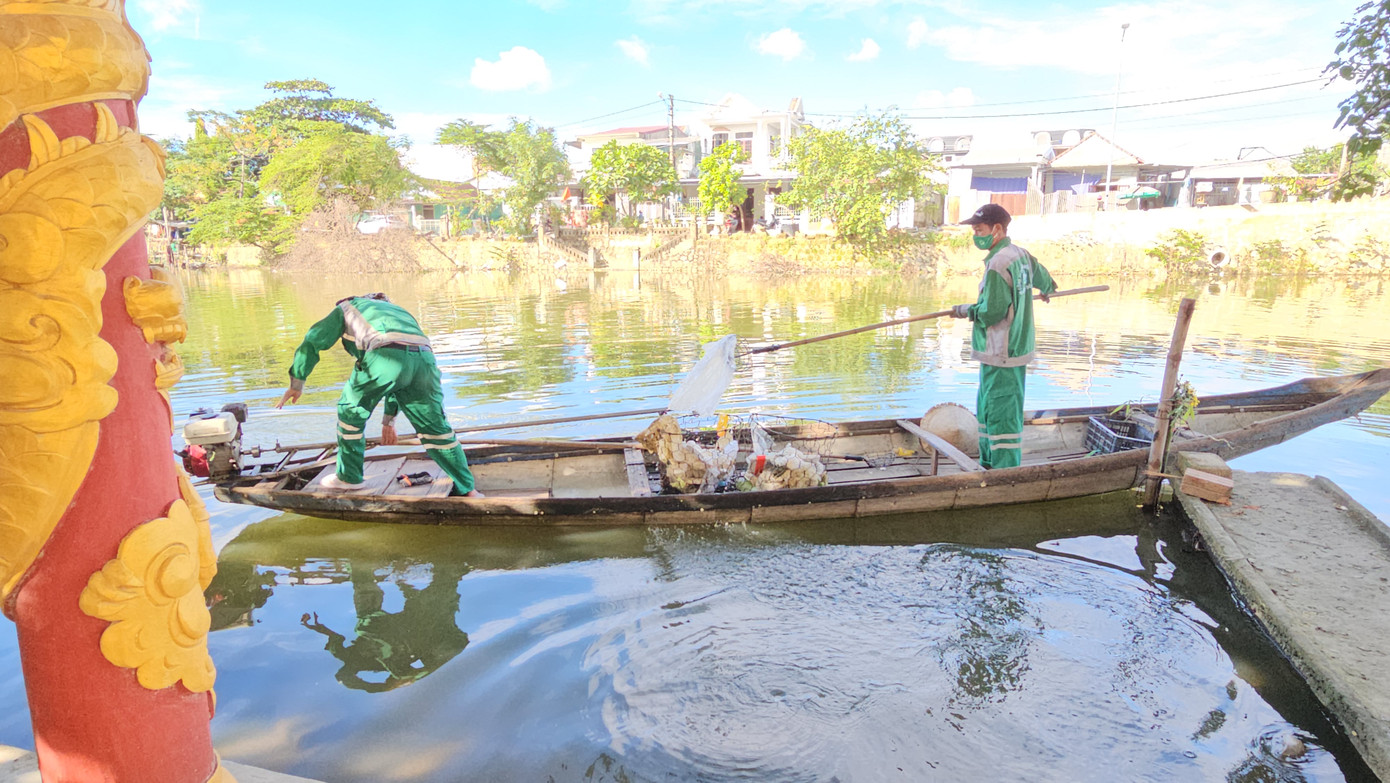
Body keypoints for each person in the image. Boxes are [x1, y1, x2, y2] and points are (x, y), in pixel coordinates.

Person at [277, 293, 482, 496]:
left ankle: (349, 478)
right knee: (437, 430)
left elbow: (313, 341)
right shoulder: (400, 312)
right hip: (425, 363)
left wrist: (297, 382)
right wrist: (388, 421)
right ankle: (469, 489)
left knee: (351, 412)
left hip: (384, 356)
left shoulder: (347, 307)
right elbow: (402, 367)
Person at [950, 204, 1057, 470]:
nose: (976, 235)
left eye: (979, 229)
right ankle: (988, 462)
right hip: (1005, 351)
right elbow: (1043, 276)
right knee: (987, 410)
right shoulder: (1019, 255)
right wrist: (1047, 289)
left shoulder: (999, 263)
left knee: (1002, 415)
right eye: (974, 230)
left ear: (997, 229)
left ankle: (1005, 472)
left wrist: (966, 311)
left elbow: (992, 312)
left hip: (1002, 352)